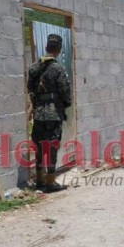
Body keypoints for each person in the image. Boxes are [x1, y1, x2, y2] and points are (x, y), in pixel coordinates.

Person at [27, 34, 72, 192]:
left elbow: (30, 89)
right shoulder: (58, 68)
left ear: (46, 47)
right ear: (58, 50)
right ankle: (51, 182)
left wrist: (38, 103)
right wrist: (66, 104)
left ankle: (40, 181)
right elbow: (65, 91)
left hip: (39, 114)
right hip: (53, 114)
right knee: (52, 146)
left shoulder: (34, 67)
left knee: (39, 147)